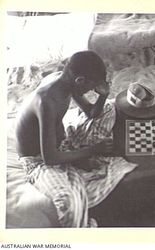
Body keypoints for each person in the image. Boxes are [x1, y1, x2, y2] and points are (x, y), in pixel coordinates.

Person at [15, 50, 113, 227]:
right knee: (69, 201)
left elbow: (91, 113)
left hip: (60, 143)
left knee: (109, 107)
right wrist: (92, 150)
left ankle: (76, 158)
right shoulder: (46, 101)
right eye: (91, 87)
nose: (92, 91)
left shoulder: (67, 82)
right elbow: (50, 158)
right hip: (38, 160)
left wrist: (103, 96)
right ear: (80, 81)